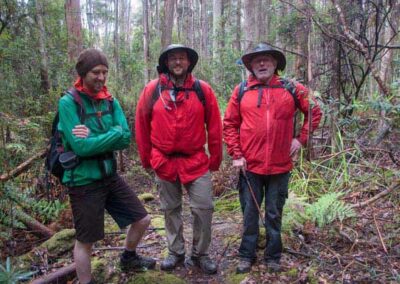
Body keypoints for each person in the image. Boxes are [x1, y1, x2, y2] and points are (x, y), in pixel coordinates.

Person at [58, 48, 155, 284]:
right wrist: (111, 133)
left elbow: (125, 136)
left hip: (109, 176)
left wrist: (96, 136)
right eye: (95, 72)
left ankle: (128, 257)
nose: (101, 78)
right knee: (86, 240)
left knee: (142, 219)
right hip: (83, 181)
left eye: (105, 72)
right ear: (83, 73)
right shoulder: (68, 103)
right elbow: (81, 148)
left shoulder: (110, 101)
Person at [223, 43, 322, 273]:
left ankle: (273, 256)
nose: (262, 63)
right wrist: (236, 154)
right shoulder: (241, 91)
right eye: (257, 60)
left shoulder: (291, 88)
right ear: (250, 66)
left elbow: (314, 111)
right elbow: (229, 124)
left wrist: (301, 139)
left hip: (280, 165)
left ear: (275, 63)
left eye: (266, 59)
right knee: (249, 213)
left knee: (274, 213)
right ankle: (246, 255)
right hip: (250, 166)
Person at [135, 44, 222, 274]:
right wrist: (147, 159)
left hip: (195, 160)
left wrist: (215, 159)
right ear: (166, 63)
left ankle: (201, 253)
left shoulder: (202, 90)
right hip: (164, 161)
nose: (177, 62)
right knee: (170, 208)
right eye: (172, 58)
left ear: (189, 62)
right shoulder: (153, 90)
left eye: (181, 58)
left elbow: (214, 126)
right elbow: (141, 126)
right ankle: (175, 252)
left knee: (203, 207)